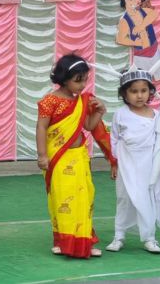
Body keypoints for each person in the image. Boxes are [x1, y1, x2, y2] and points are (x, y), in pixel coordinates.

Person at [36, 54, 117, 259]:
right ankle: (62, 241)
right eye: (77, 80)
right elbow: (41, 127)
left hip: (79, 158)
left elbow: (89, 127)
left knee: (84, 198)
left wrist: (100, 112)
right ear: (64, 78)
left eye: (85, 79)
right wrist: (42, 155)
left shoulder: (84, 101)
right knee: (62, 199)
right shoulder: (49, 101)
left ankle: (85, 242)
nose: (83, 84)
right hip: (59, 159)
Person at [106, 68, 160, 254]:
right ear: (124, 93)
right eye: (134, 91)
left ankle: (149, 238)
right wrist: (114, 162)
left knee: (148, 198)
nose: (139, 96)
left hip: (150, 165)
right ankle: (119, 235)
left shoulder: (156, 115)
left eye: (144, 91)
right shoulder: (120, 114)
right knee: (124, 199)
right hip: (127, 164)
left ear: (150, 92)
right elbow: (114, 139)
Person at [116, 0, 160, 80]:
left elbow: (154, 13)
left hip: (155, 50)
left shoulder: (142, 11)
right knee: (143, 81)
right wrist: (133, 42)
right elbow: (120, 39)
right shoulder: (124, 20)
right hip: (141, 56)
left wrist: (141, 26)